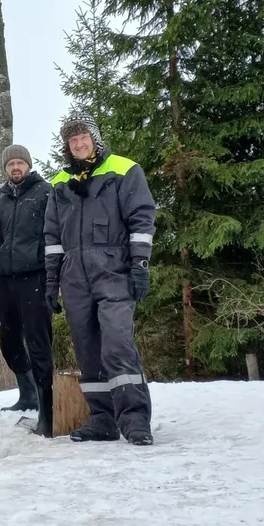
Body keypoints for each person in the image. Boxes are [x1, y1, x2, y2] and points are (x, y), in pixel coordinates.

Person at [44, 114, 157, 446]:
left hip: (114, 270)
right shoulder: (60, 182)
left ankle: (135, 419)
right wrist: (52, 280)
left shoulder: (123, 170)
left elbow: (142, 218)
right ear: (67, 146)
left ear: (95, 139)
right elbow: (52, 235)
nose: (79, 144)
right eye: (72, 140)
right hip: (74, 276)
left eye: (84, 137)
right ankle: (103, 418)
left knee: (117, 342)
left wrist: (140, 265)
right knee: (87, 347)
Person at [0, 143, 55, 436]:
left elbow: (54, 235)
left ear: (28, 165)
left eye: (20, 163)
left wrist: (52, 278)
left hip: (35, 278)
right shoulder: (3, 200)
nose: (15, 168)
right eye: (10, 164)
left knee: (39, 345)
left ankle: (47, 410)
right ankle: (27, 394)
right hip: (7, 281)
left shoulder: (44, 192)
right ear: (5, 169)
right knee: (9, 343)